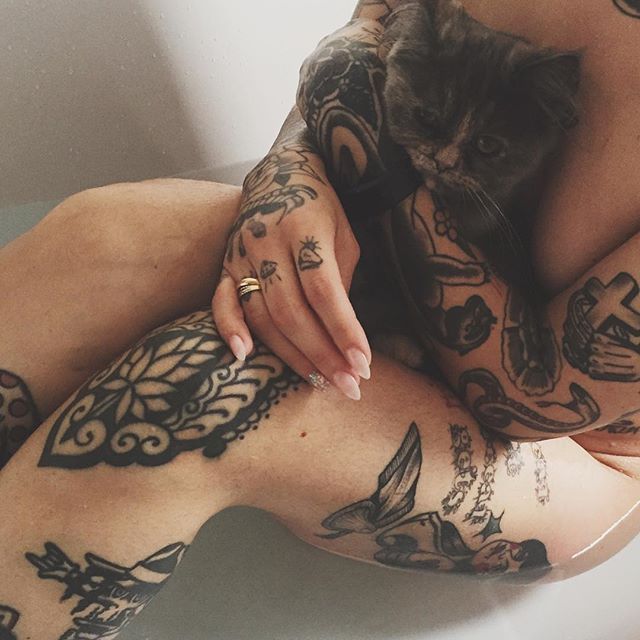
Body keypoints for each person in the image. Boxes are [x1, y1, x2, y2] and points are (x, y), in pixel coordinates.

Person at [0, 1, 639, 638]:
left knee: (208, 388)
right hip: (393, 269)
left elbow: (531, 397)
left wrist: (362, 159)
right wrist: (286, 180)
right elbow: (361, 43)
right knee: (98, 242)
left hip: (569, 447)